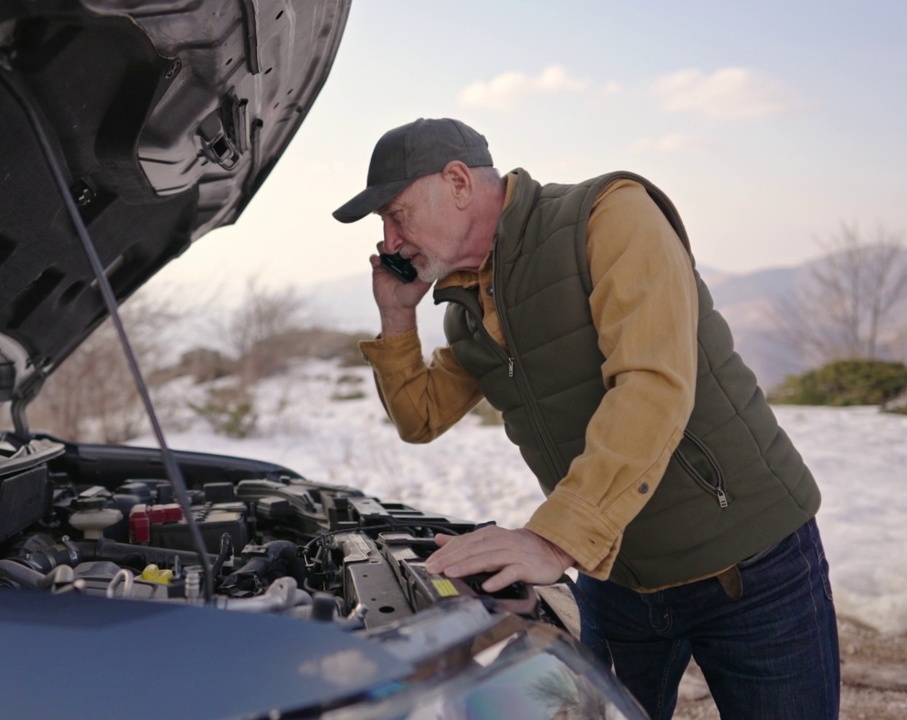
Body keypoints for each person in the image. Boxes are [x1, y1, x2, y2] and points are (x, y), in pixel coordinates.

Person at [333, 117, 839, 720]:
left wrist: (551, 538)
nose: (390, 241)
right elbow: (420, 418)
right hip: (616, 575)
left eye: (396, 213)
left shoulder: (609, 215)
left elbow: (652, 386)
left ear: (458, 181)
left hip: (749, 570)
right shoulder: (465, 309)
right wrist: (395, 317)